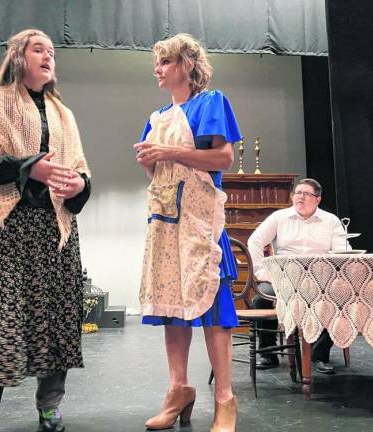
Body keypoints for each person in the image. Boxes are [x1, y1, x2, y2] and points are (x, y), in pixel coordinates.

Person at [0, 29, 91, 432]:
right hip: (7, 232)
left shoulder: (64, 113)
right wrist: (30, 167)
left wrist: (79, 185)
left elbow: (79, 170)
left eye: (53, 52)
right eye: (39, 49)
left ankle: (49, 406)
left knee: (56, 319)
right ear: (18, 57)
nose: (48, 56)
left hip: (54, 234)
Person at [134, 33, 241, 432]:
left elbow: (223, 158)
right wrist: (150, 159)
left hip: (201, 223)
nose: (157, 69)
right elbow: (160, 173)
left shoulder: (211, 103)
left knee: (214, 310)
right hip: (166, 223)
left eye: (164, 61)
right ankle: (178, 390)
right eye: (157, 63)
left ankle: (225, 400)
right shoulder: (157, 117)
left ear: (187, 65)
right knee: (171, 308)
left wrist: (168, 152)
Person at [247, 178, 349, 375]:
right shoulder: (280, 217)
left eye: (306, 194)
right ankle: (268, 353)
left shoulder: (330, 221)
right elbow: (255, 241)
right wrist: (261, 272)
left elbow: (343, 251)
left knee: (339, 298)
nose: (300, 197)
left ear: (317, 200)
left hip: (319, 278)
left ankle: (319, 356)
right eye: (297, 193)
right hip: (284, 278)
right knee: (261, 298)